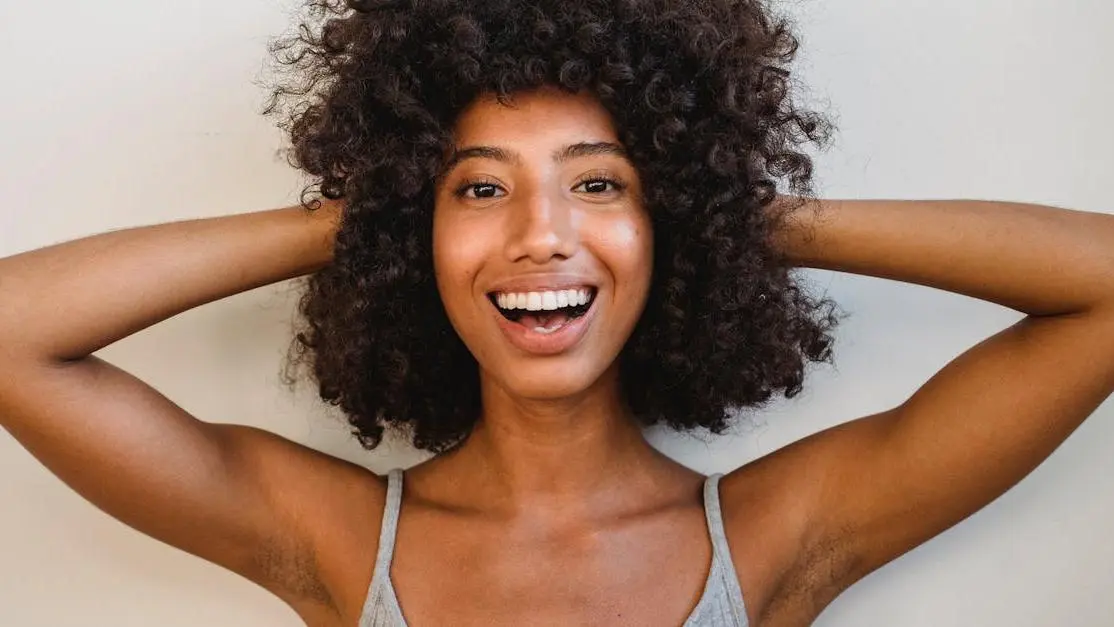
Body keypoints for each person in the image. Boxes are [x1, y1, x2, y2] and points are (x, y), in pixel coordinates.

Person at [1, 0, 1111, 625]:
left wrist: (721, 206)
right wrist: (371, 215)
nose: (541, 235)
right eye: (480, 188)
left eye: (598, 183)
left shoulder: (775, 534)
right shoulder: (339, 542)